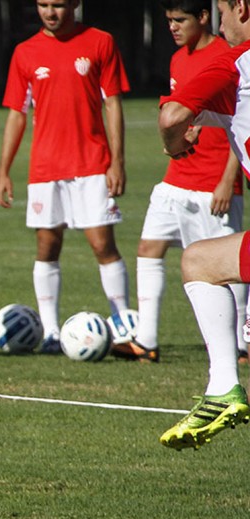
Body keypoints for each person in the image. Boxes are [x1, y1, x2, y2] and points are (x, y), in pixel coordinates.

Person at [112, 0, 246, 364]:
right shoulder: (178, 59)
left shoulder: (230, 55)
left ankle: (240, 346)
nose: (173, 27)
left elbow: (241, 123)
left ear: (204, 17)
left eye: (180, 20)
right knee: (148, 248)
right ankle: (147, 340)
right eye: (168, 20)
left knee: (227, 268)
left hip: (211, 184)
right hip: (176, 180)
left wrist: (227, 180)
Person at [0, 0, 131, 353]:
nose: (50, 12)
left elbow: (113, 104)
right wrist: (4, 171)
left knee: (103, 245)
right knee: (47, 246)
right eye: (43, 5)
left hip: (92, 164)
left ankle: (122, 328)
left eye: (58, 4)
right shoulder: (25, 52)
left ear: (74, 4)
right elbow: (16, 115)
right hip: (46, 167)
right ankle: (52, 334)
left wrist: (117, 161)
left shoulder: (100, 42)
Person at [157, 0, 250, 449]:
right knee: (201, 259)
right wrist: (204, 119)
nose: (219, 21)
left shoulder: (235, 62)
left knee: (196, 263)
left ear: (242, 8)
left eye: (220, 10)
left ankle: (224, 387)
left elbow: (171, 116)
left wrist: (177, 144)